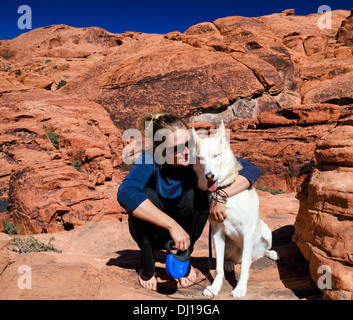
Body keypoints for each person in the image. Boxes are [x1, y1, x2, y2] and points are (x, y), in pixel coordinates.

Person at [117, 113, 261, 291]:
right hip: (152, 232)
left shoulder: (197, 157)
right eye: (176, 148)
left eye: (187, 144)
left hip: (186, 231)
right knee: (146, 194)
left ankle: (183, 258)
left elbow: (251, 169)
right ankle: (147, 264)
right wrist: (172, 226)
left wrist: (221, 195)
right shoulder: (150, 159)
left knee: (197, 193)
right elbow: (126, 193)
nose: (186, 152)